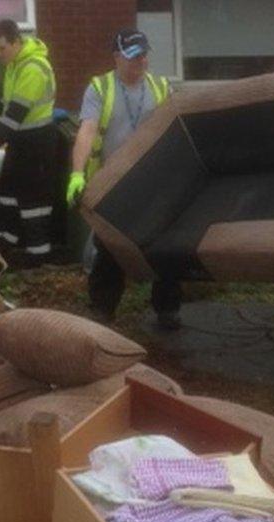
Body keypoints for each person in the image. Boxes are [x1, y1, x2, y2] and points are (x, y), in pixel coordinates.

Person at [67, 29, 181, 330]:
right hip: (113, 180)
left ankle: (167, 309)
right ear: (117, 57)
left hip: (152, 181)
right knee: (109, 245)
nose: (141, 61)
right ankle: (102, 310)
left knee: (164, 243)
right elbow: (87, 132)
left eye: (144, 54)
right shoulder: (100, 88)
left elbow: (174, 130)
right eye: (133, 56)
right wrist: (77, 174)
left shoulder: (160, 87)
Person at [0, 19, 58, 268]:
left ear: (16, 42)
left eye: (2, 48)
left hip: (37, 142)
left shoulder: (33, 68)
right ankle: (5, 242)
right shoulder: (15, 65)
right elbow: (3, 105)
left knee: (33, 200)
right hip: (21, 141)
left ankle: (38, 256)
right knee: (8, 189)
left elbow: (14, 116)